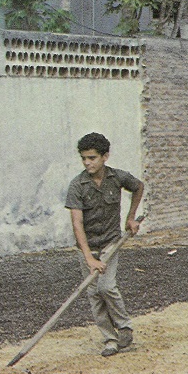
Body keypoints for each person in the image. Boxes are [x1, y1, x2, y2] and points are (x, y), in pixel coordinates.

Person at [65, 133, 144, 357]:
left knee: (106, 286)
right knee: (94, 295)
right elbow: (77, 224)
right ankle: (110, 339)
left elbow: (138, 187)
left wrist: (131, 218)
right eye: (84, 158)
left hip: (111, 242)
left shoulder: (117, 178)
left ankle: (125, 327)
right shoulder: (77, 186)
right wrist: (89, 257)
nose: (88, 162)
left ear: (105, 156)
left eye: (92, 158)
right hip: (87, 247)